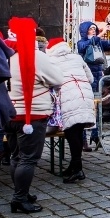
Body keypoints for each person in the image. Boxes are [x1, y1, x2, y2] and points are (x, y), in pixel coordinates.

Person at [6, 17, 64, 213]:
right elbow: (57, 79)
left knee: (16, 156)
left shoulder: (6, 54)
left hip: (10, 113)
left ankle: (21, 192)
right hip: (32, 115)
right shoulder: (36, 56)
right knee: (28, 159)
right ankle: (19, 198)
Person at [46, 37, 96, 183]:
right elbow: (91, 79)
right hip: (84, 95)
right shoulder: (77, 58)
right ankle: (74, 166)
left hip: (68, 96)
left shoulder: (51, 60)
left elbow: (51, 81)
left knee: (71, 133)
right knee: (77, 132)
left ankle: (78, 169)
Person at [77, 21, 110, 148]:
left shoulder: (99, 42)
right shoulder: (82, 42)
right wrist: (101, 34)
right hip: (87, 79)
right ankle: (83, 139)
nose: (93, 31)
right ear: (85, 31)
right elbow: (83, 47)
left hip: (98, 78)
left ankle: (95, 135)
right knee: (86, 108)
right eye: (91, 29)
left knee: (97, 108)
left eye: (94, 29)